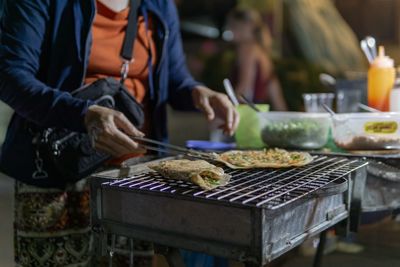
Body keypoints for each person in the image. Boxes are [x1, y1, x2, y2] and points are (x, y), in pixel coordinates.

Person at [0, 0, 239, 266]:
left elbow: (174, 78)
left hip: (134, 177)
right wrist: (84, 115)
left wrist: (198, 92)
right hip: (53, 172)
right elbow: (10, 75)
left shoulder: (158, 4)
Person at [227, 8, 288, 111]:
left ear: (244, 26)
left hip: (247, 112)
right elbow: (275, 93)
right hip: (260, 111)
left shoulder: (247, 49)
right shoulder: (262, 52)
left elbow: (244, 88)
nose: (229, 30)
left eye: (232, 26)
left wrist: (225, 106)